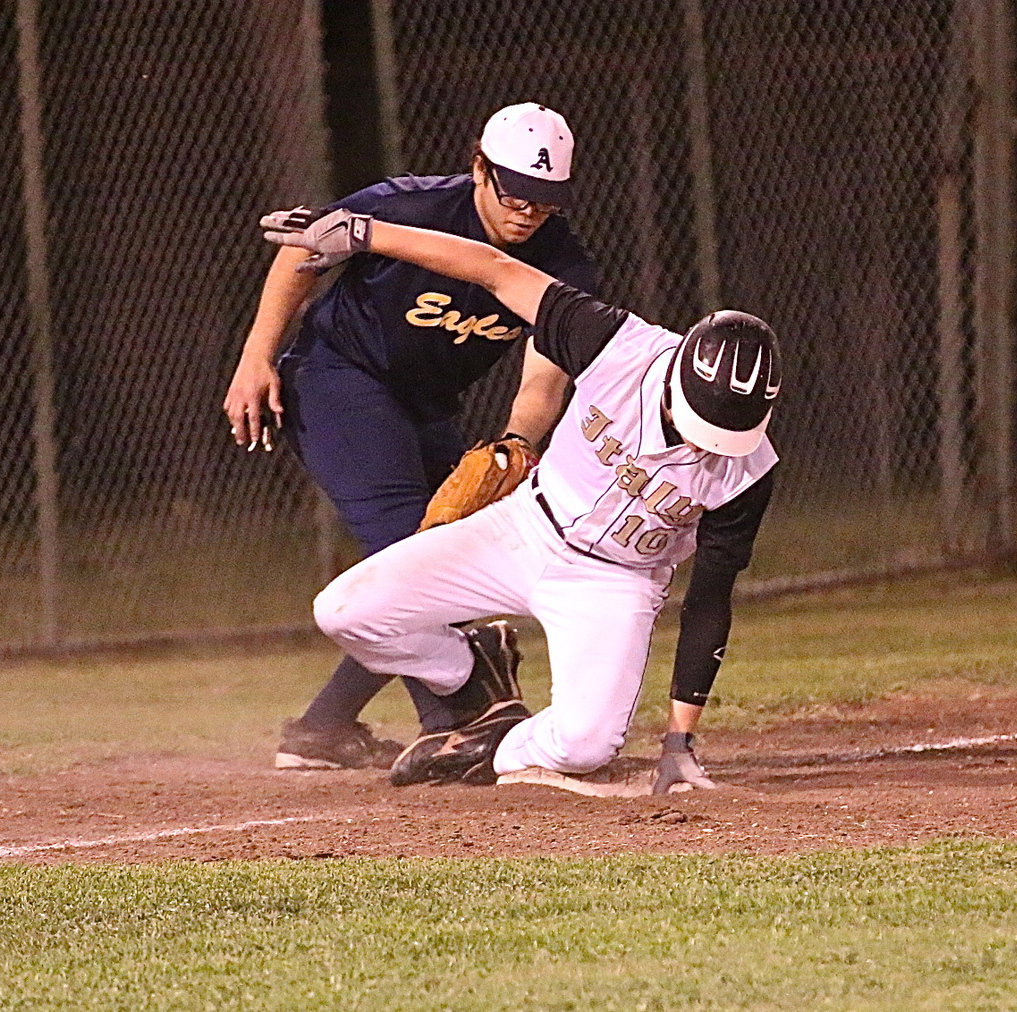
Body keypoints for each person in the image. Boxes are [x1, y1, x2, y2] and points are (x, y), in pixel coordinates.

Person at [257, 201, 782, 794]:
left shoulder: (749, 470)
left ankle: (496, 747)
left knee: (585, 745)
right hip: (523, 527)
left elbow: (709, 602)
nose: (703, 438)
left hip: (614, 583)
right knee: (346, 612)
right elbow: (490, 269)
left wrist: (679, 740)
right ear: (680, 368)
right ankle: (466, 672)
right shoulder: (617, 344)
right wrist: (367, 233)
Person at [223, 104, 598, 774]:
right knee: (415, 555)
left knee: (446, 563)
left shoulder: (560, 261)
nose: (527, 210)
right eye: (514, 190)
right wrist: (256, 356)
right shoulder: (411, 207)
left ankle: (321, 730)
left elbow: (545, 377)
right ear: (479, 167)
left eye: (545, 199)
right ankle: (450, 725)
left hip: (428, 409)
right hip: (339, 379)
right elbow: (302, 251)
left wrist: (515, 443)